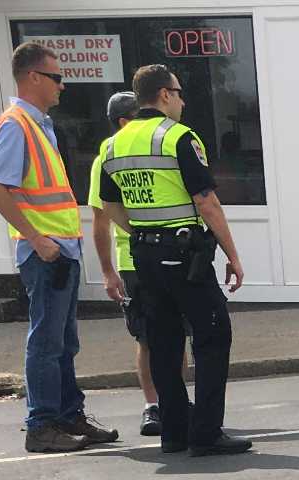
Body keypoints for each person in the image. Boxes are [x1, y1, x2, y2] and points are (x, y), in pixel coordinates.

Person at [98, 63, 249, 458]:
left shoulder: (114, 144)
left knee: (163, 344)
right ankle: (206, 434)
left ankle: (175, 432)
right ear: (164, 94)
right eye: (179, 93)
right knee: (212, 337)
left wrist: (141, 234)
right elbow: (207, 202)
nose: (182, 100)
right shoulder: (178, 137)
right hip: (185, 256)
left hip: (144, 258)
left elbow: (109, 204)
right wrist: (232, 255)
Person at [0, 41, 120, 455]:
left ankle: (67, 415)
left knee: (63, 341)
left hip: (60, 251)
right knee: (46, 341)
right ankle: (41, 425)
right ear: (33, 78)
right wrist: (37, 238)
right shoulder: (16, 124)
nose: (63, 86)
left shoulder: (40, 125)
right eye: (57, 78)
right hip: (46, 252)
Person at [89, 90, 165, 437]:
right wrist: (108, 271)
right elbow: (100, 220)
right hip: (133, 261)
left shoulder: (159, 147)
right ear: (123, 122)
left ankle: (175, 400)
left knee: (175, 333)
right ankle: (153, 406)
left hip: (166, 255)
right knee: (148, 338)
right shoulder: (108, 154)